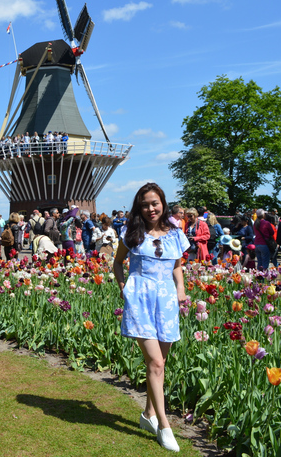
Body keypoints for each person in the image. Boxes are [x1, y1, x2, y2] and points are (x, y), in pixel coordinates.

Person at [112, 182, 187, 452]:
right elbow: (117, 263)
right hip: (140, 298)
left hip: (166, 298)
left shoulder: (175, 232)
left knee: (161, 362)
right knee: (155, 362)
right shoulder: (131, 232)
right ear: (139, 207)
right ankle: (165, 427)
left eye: (154, 203)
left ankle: (148, 415)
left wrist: (180, 288)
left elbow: (177, 264)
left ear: (163, 204)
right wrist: (125, 289)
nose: (150, 208)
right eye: (145, 204)